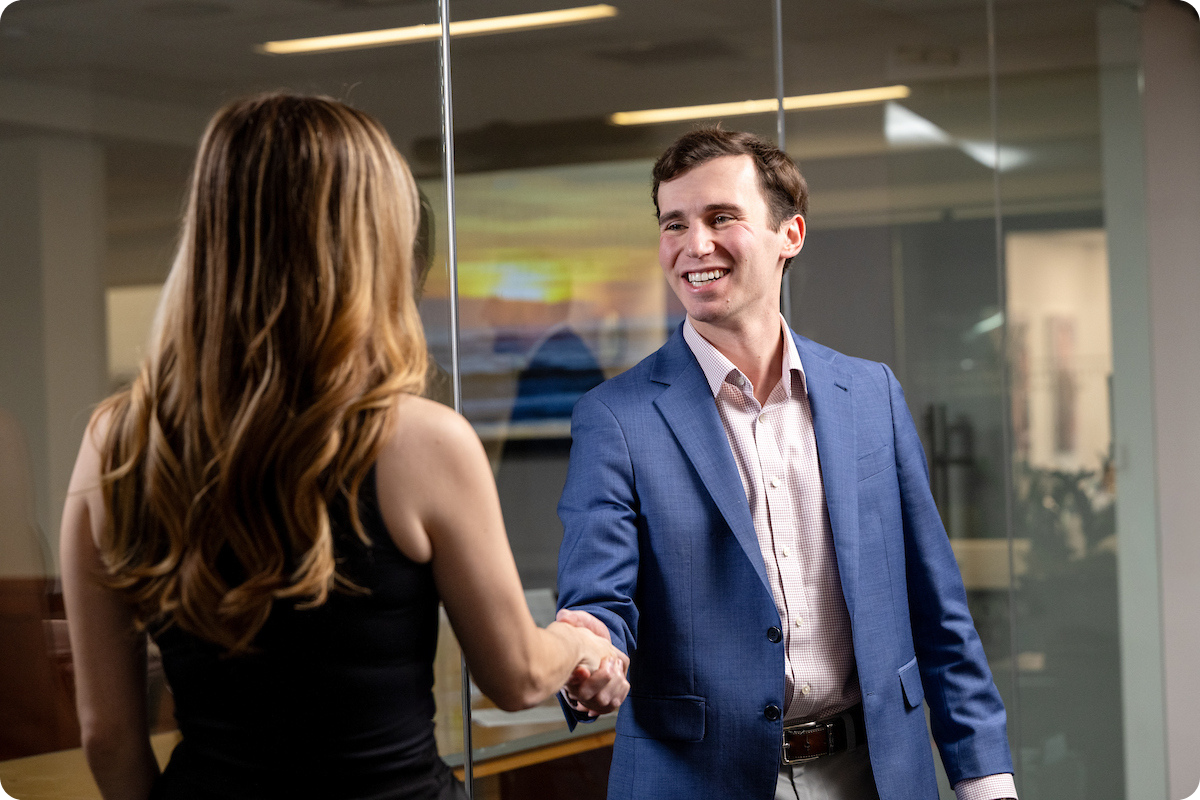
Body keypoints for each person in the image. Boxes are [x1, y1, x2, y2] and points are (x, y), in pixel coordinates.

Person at [59, 93, 628, 800]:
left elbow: (106, 736)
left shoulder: (115, 442)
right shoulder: (420, 439)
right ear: (370, 246)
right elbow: (516, 676)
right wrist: (581, 643)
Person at [555, 128, 1016, 800]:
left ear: (789, 235)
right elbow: (598, 601)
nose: (694, 245)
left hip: (874, 772)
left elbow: (935, 606)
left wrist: (984, 780)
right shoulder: (617, 417)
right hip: (700, 782)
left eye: (721, 218)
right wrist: (586, 657)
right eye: (674, 224)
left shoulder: (869, 395)